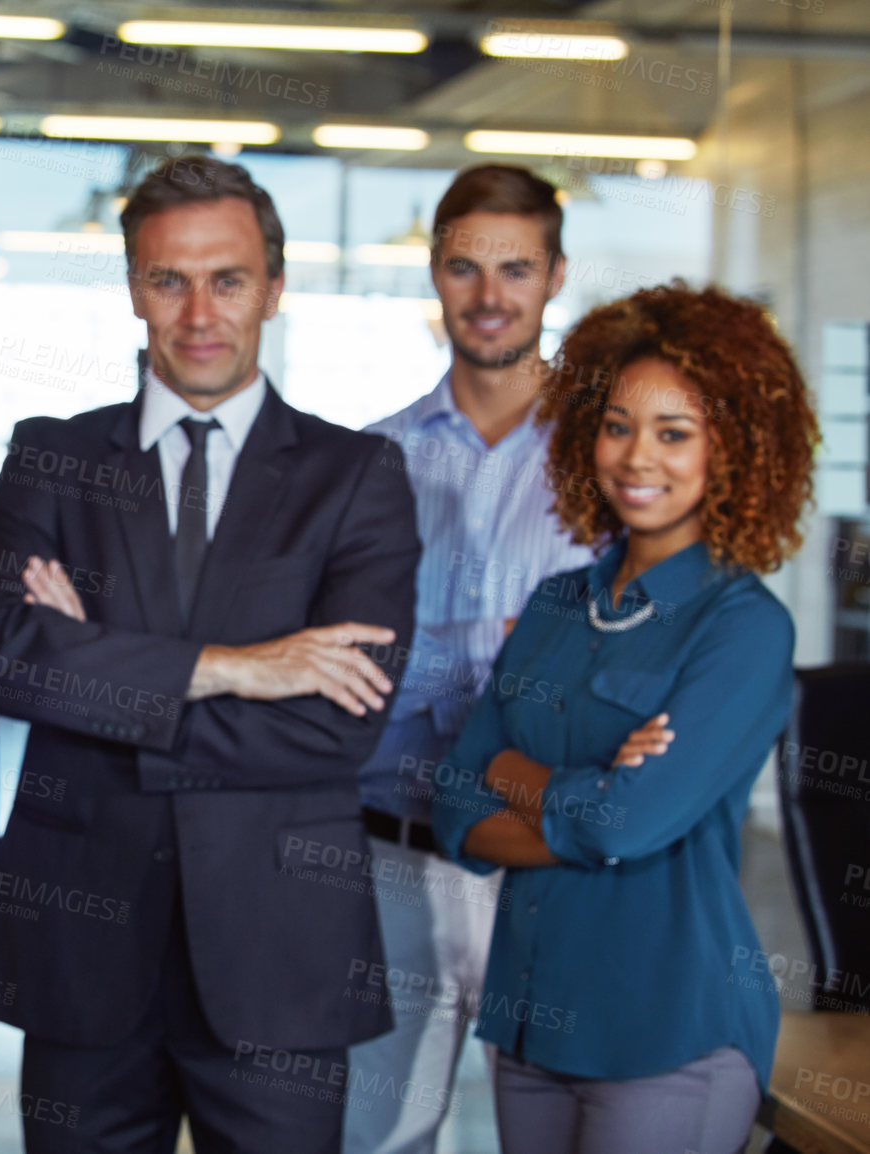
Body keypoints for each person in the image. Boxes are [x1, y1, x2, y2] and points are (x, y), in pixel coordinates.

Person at [0, 155, 420, 1153]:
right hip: (82, 952)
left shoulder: (357, 475)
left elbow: (340, 723)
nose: (199, 310)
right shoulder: (54, 455)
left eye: (229, 278)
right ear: (133, 289)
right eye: (169, 279)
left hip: (279, 955)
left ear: (275, 287)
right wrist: (234, 663)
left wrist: (93, 669)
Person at [431, 283, 819, 1154]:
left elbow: (629, 822)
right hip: (529, 1022)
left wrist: (515, 777)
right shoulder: (556, 605)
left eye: (675, 433)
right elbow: (456, 801)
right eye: (617, 426)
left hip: (665, 1033)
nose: (638, 456)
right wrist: (576, 797)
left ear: (735, 450)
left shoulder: (744, 626)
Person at [345, 165, 595, 1154]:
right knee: (374, 1135)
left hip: (546, 864)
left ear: (554, 275)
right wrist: (497, 656)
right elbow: (345, 670)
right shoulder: (370, 462)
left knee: (557, 1131)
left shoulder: (609, 467)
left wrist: (422, 654)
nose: (488, 295)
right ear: (435, 273)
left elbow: (615, 678)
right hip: (387, 850)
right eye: (464, 266)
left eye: (514, 268)